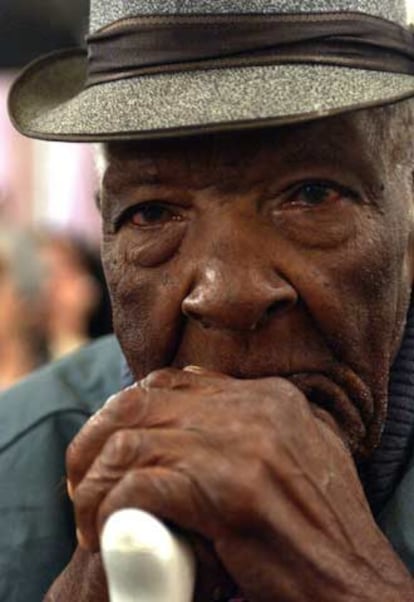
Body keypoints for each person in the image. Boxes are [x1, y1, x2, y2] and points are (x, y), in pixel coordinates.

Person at [4, 0, 414, 600]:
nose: (229, 294)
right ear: (105, 228)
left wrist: (352, 583)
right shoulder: (14, 461)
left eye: (311, 193)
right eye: (152, 212)